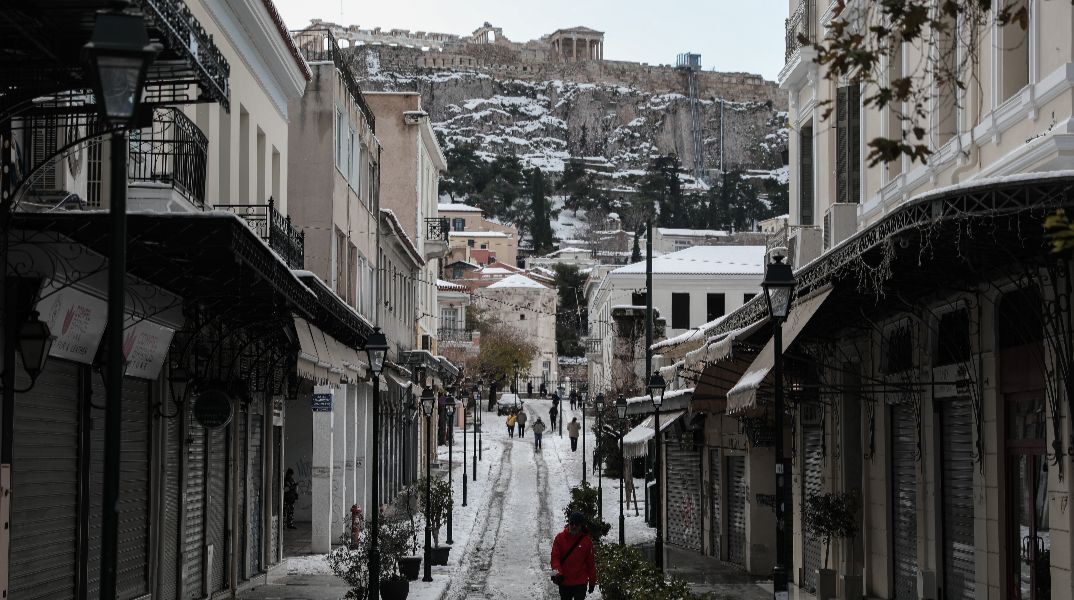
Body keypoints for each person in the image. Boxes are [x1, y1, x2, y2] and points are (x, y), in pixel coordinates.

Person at [550, 512, 597, 599]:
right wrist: (558, 573)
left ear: (581, 526)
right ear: (568, 523)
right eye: (572, 523)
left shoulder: (586, 542)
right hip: (564, 581)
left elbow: (590, 564)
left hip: (580, 583)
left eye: (577, 524)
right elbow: (555, 558)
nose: (574, 526)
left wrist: (592, 581)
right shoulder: (560, 538)